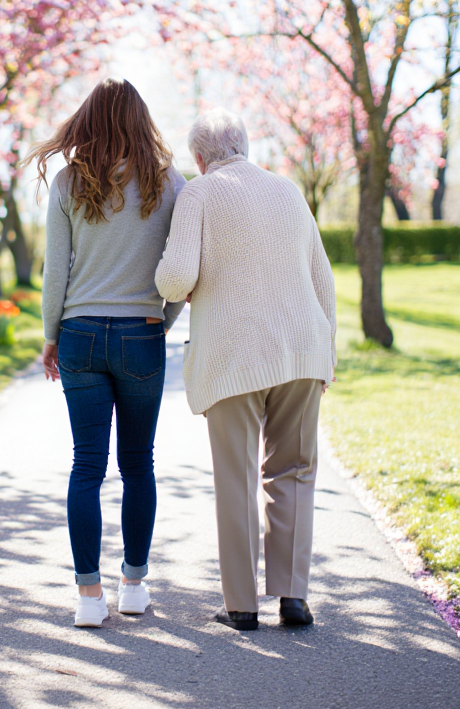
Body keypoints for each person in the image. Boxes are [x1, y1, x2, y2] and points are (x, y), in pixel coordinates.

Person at [155, 108, 336, 631]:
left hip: (235, 356)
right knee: (295, 473)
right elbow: (321, 277)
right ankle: (294, 598)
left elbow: (174, 280)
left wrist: (183, 280)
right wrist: (327, 354)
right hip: (303, 349)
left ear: (199, 157)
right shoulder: (288, 190)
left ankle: (241, 607)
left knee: (236, 479)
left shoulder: (198, 194)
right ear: (246, 147)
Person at [27, 78, 186, 628]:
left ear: (87, 119)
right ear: (141, 119)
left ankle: (89, 598)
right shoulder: (171, 183)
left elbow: (56, 271)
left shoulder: (69, 182)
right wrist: (160, 323)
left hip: (80, 335)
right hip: (142, 332)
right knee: (138, 464)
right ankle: (135, 585)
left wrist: (51, 335)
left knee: (86, 466)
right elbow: (182, 271)